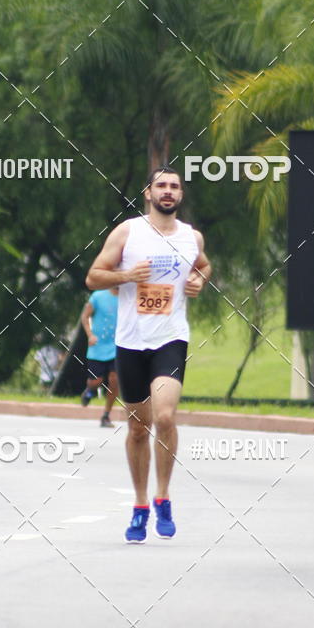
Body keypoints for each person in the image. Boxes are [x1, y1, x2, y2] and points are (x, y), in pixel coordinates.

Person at [86, 166, 211, 543]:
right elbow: (93, 277)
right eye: (162, 186)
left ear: (181, 195)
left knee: (166, 416)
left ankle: (163, 496)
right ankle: (140, 504)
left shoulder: (192, 238)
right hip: (130, 342)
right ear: (148, 193)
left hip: (170, 338)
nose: (168, 191)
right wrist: (126, 277)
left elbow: (204, 266)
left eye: (174, 186)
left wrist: (198, 280)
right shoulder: (129, 232)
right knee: (138, 428)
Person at [80, 287, 119, 427]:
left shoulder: (129, 297)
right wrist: (90, 335)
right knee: (96, 381)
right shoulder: (98, 296)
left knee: (115, 381)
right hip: (98, 346)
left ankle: (106, 415)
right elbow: (85, 316)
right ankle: (89, 391)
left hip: (118, 347)